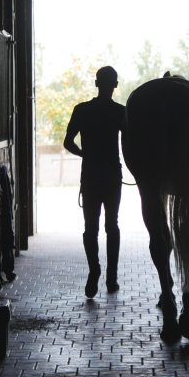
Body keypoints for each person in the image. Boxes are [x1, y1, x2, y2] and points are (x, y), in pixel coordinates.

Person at [64, 65, 127, 297]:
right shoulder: (121, 112)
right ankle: (112, 277)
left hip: (90, 176)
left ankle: (94, 271)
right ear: (116, 85)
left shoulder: (81, 110)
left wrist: (84, 154)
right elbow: (131, 143)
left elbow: (67, 142)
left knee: (90, 228)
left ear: (96, 83)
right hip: (112, 176)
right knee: (112, 225)